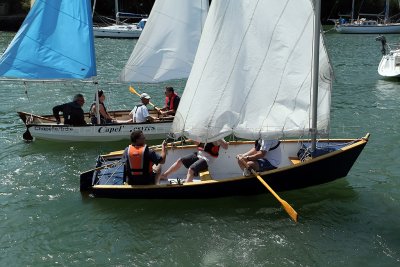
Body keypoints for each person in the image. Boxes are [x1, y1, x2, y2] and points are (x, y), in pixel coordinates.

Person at [161, 139, 228, 183]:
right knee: (180, 160)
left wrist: (218, 138)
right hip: (199, 154)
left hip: (207, 159)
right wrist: (192, 138)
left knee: (191, 169)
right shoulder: (204, 132)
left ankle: (187, 185)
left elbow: (226, 146)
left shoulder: (218, 135)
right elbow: (198, 144)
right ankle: (165, 175)